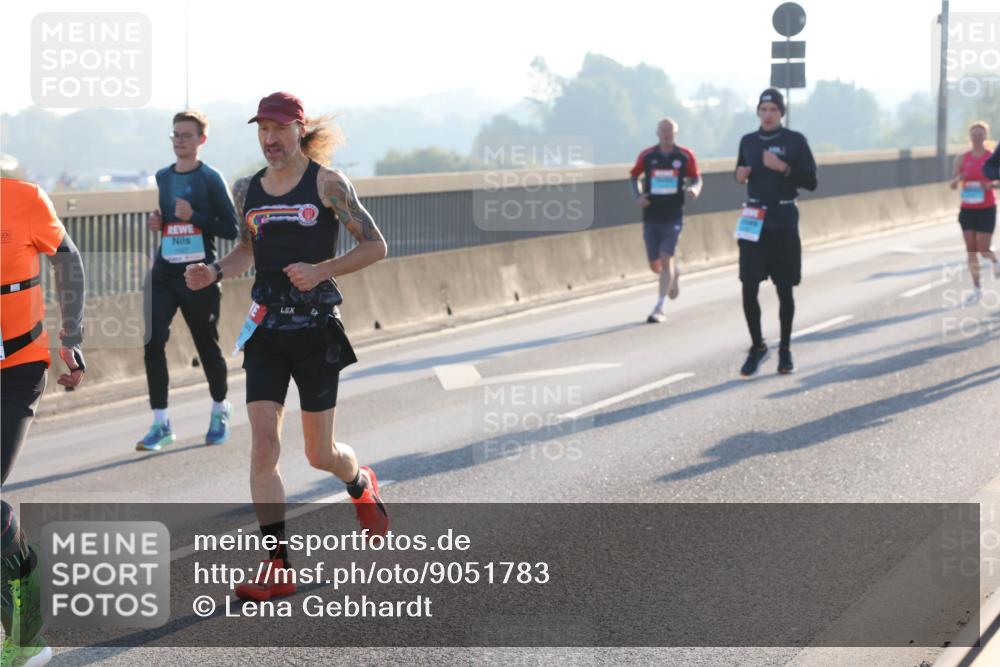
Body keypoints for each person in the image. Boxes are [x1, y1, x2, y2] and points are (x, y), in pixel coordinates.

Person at [184, 92, 389, 601]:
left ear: (299, 130)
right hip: (266, 332)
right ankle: (278, 564)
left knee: (321, 454)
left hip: (316, 330)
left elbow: (375, 245)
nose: (270, 139)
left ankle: (359, 481)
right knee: (263, 443)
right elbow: (247, 250)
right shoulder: (246, 189)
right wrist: (213, 271)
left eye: (279, 129)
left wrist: (321, 270)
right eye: (262, 130)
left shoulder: (327, 183)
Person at [1, 178, 86, 667]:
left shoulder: (23, 198)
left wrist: (71, 335)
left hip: (16, 369)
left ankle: (28, 635)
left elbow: (68, 259)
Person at [136, 110, 240, 452]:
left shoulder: (210, 178)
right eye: (175, 135)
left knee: (206, 345)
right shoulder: (163, 177)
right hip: (165, 271)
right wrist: (160, 221)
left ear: (201, 140)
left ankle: (220, 409)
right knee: (152, 342)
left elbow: (231, 228)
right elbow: (169, 218)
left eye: (186, 135)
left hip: (198, 274)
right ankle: (160, 423)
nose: (179, 140)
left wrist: (192, 216)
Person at [734, 89, 818, 377]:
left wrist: (782, 167)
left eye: (772, 109)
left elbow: (811, 181)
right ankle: (757, 346)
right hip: (753, 221)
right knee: (748, 286)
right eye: (763, 109)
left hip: (783, 220)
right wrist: (740, 175)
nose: (767, 114)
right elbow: (739, 170)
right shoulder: (748, 141)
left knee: (784, 290)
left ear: (781, 113)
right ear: (758, 112)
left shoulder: (795, 141)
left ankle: (785, 349)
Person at [629, 118, 702, 323]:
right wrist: (638, 196)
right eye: (663, 130)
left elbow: (696, 177)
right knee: (655, 264)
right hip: (651, 216)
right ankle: (673, 273)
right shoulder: (647, 155)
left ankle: (659, 307)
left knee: (665, 257)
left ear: (675, 132)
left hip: (673, 215)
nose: (666, 134)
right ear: (657, 133)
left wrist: (694, 189)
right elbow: (633, 177)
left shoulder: (685, 155)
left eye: (670, 131)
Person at [949, 121, 1000, 301]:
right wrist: (958, 179)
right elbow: (952, 185)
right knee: (971, 249)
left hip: (986, 208)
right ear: (969, 137)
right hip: (968, 209)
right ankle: (977, 288)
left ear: (986, 136)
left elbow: (998, 181)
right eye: (974, 134)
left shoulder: (991, 156)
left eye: (980, 134)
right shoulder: (962, 158)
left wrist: (991, 185)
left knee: (983, 248)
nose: (977, 138)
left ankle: (994, 259)